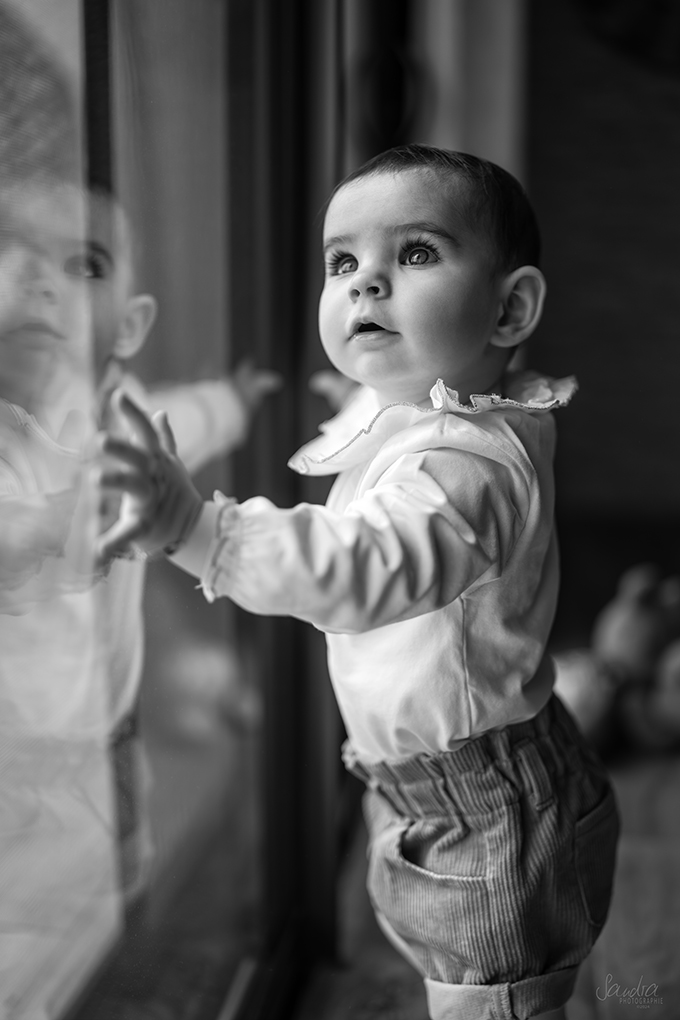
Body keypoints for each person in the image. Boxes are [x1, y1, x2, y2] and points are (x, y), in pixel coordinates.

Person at [96, 144, 620, 1020]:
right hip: (447, 788)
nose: (366, 282)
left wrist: (196, 528)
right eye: (342, 263)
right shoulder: (445, 408)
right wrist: (361, 391)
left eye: (414, 253)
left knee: (497, 1004)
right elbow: (404, 402)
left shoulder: (466, 469)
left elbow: (363, 565)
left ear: (510, 308)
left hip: (488, 817)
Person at [0, 178, 279, 899]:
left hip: (108, 740)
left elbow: (183, 423)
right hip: (11, 769)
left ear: (127, 326)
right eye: (10, 249)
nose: (38, 280)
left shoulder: (122, 414)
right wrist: (47, 523)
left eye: (83, 264)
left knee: (118, 885)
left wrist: (234, 402)